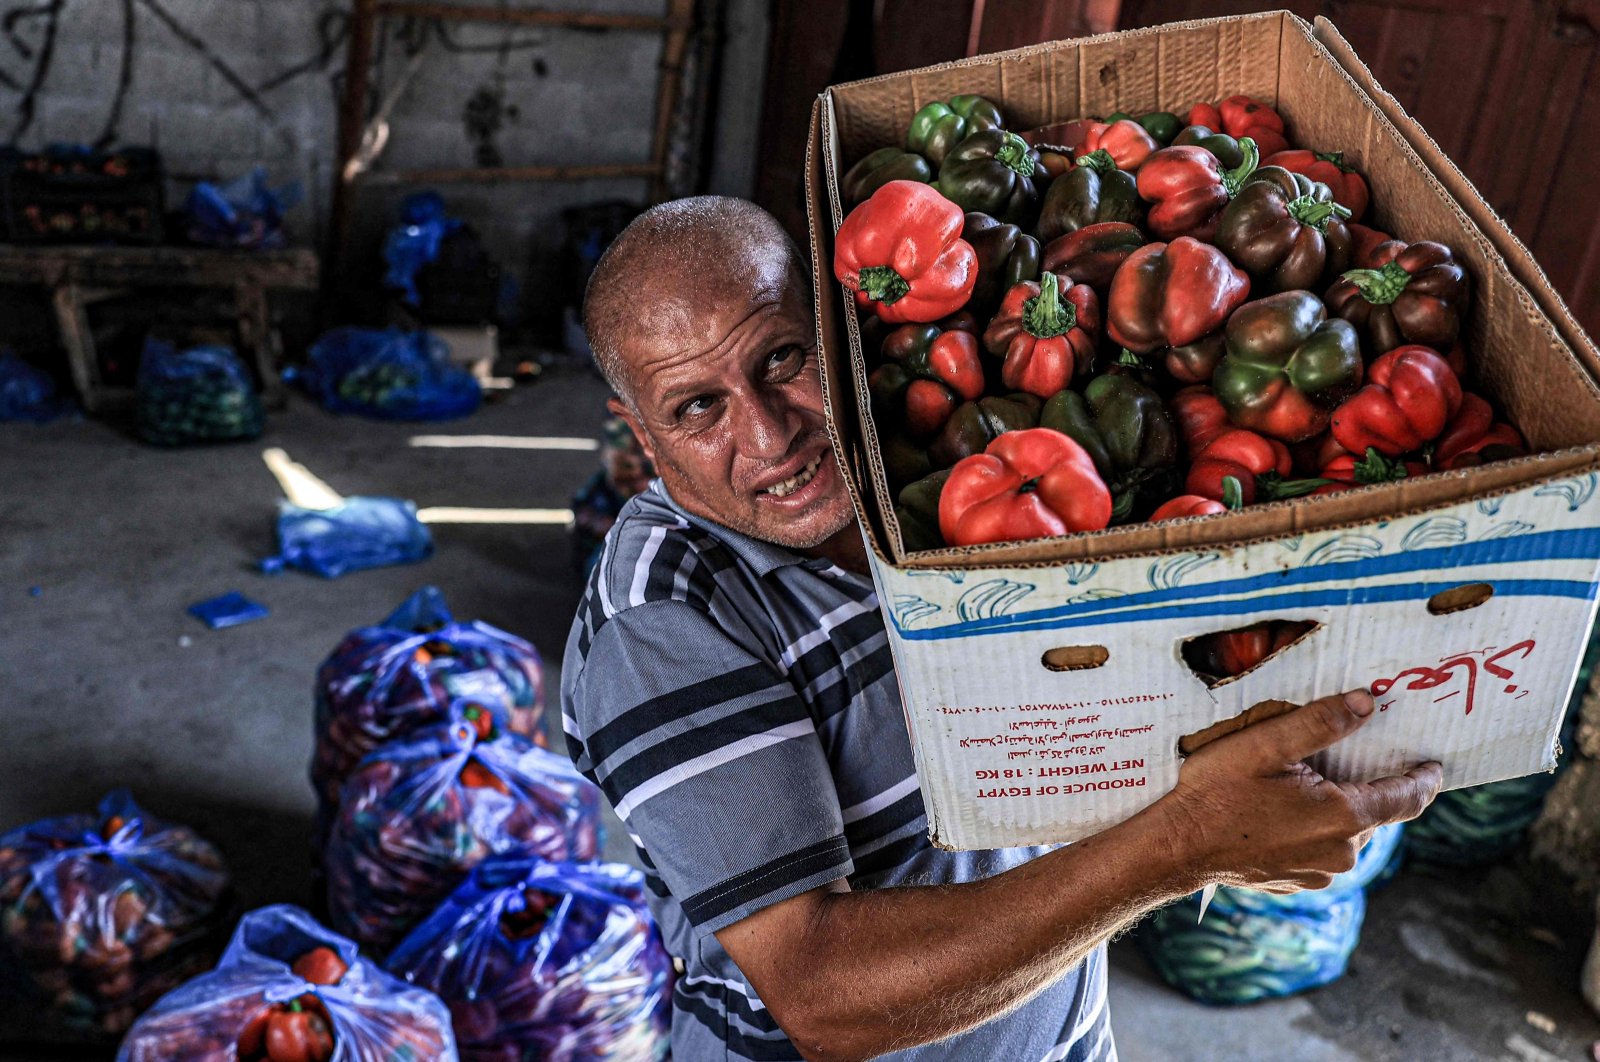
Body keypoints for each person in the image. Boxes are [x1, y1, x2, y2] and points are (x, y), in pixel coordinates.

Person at [560, 196, 1443, 1062]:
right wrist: (1182, 846)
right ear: (641, 433)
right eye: (697, 409)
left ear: (834, 328)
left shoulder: (935, 472)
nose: (770, 434)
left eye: (783, 358)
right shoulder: (661, 625)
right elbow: (820, 998)